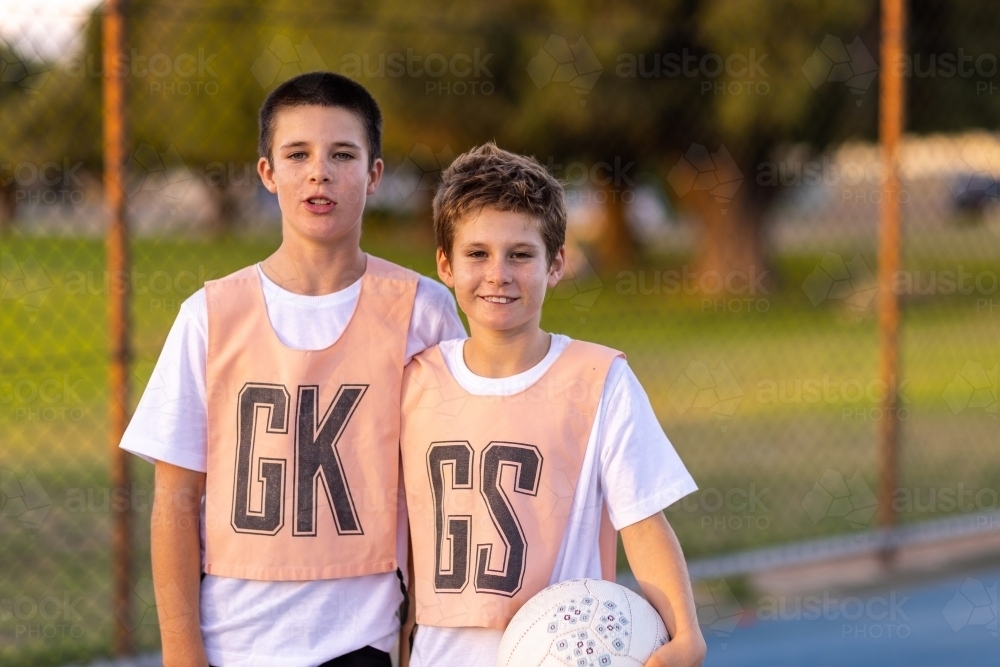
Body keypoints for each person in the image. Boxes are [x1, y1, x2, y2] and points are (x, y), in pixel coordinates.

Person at [120, 71, 465, 667]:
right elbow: (176, 498)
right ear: (267, 173)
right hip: (237, 642)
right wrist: (181, 652)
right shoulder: (210, 315)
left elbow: (450, 489)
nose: (319, 172)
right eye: (297, 154)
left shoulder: (423, 310)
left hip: (366, 642)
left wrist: (421, 638)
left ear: (375, 174)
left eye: (343, 155)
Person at [399, 143, 706, 667]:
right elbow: (406, 537)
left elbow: (642, 519)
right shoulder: (414, 382)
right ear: (445, 265)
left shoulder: (599, 378)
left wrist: (687, 632)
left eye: (521, 254)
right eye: (477, 254)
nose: (498, 274)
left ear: (557, 263)